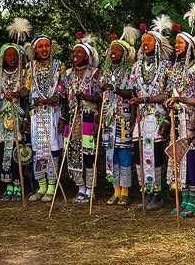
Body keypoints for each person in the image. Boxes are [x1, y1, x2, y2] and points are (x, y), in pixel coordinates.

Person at [164, 5, 195, 218]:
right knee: (178, 158)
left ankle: (193, 201)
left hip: (192, 122)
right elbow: (169, 95)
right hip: (176, 121)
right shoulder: (174, 69)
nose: (176, 46)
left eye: (180, 43)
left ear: (190, 46)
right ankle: (182, 199)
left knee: (191, 159)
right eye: (176, 43)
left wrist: (180, 101)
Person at [128, 15, 173, 211]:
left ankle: (158, 194)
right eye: (143, 40)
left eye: (150, 40)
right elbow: (132, 94)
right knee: (139, 157)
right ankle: (145, 193)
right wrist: (132, 118)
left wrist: (145, 100)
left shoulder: (165, 67)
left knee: (154, 156)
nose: (145, 43)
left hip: (157, 117)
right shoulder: (136, 67)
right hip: (140, 118)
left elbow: (167, 95)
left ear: (157, 44)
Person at [22, 30, 66, 202]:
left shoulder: (59, 66)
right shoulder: (30, 67)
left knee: (52, 149)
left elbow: (62, 92)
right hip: (36, 115)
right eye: (40, 46)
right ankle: (41, 186)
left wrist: (47, 101)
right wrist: (15, 94)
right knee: (38, 150)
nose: (44, 48)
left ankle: (51, 187)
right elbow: (26, 89)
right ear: (35, 49)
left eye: (46, 45)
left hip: (53, 114)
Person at [0, 18, 32, 201]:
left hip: (19, 120)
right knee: (5, 152)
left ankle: (19, 185)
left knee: (20, 153)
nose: (12, 58)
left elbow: (27, 92)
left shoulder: (25, 74)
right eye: (8, 55)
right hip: (4, 122)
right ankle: (8, 186)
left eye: (15, 55)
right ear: (3, 58)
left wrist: (18, 94)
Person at [101, 26, 138, 206]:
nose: (113, 52)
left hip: (123, 119)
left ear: (124, 53)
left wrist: (115, 89)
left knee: (124, 155)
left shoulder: (130, 71)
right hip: (108, 118)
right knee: (110, 154)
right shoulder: (105, 71)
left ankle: (125, 191)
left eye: (117, 50)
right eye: (112, 49)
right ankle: (115, 190)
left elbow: (132, 93)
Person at [65, 32, 102, 204]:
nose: (76, 56)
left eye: (80, 53)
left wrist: (86, 97)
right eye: (75, 52)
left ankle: (90, 188)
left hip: (89, 118)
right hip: (73, 119)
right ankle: (80, 187)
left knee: (88, 154)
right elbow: (65, 97)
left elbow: (101, 97)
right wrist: (63, 119)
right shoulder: (68, 74)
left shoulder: (95, 74)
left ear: (88, 56)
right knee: (74, 153)